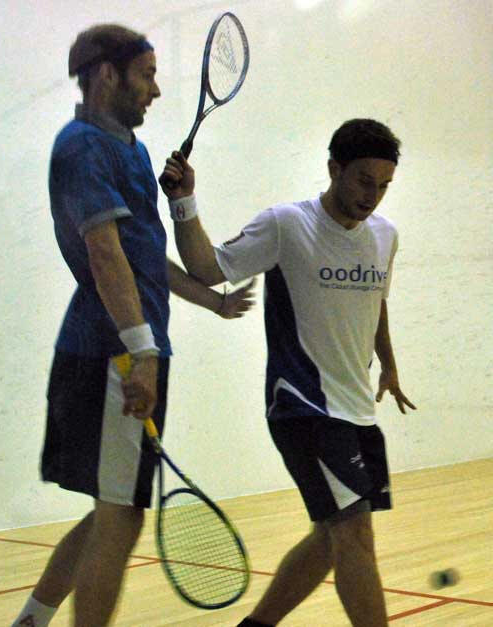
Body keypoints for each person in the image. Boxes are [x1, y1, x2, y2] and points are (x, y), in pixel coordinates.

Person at [11, 24, 255, 627]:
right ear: (106, 76)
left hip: (128, 349)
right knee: (120, 516)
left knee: (111, 510)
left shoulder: (133, 152)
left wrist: (211, 301)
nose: (156, 89)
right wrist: (140, 352)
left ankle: (31, 621)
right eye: (146, 75)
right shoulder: (82, 147)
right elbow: (104, 254)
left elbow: (142, 255)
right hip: (111, 352)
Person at [159, 118, 417, 627]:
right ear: (334, 169)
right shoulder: (286, 225)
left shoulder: (385, 236)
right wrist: (183, 202)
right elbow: (208, 269)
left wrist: (389, 365)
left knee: (328, 538)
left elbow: (377, 302)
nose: (372, 197)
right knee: (354, 534)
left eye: (384, 186)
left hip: (357, 410)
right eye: (364, 181)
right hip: (303, 404)